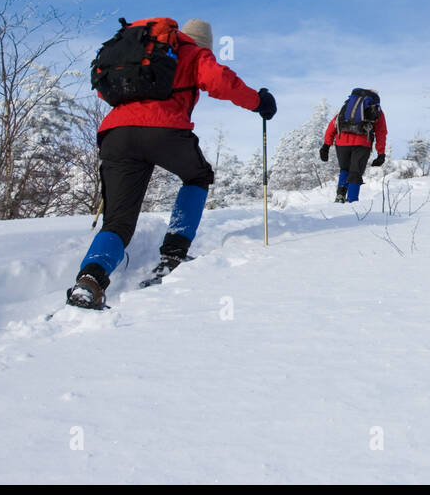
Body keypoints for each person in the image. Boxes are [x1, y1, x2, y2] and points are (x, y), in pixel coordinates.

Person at [66, 18, 276, 309]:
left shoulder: (146, 52)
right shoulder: (194, 52)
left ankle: (89, 281)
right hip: (164, 131)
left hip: (116, 134)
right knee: (197, 176)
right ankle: (173, 255)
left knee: (118, 222)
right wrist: (258, 102)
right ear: (205, 43)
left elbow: (104, 90)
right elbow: (220, 82)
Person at [318, 88, 386, 203]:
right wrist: (381, 154)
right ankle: (352, 201)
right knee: (355, 172)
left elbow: (333, 125)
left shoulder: (348, 106)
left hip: (342, 143)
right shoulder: (376, 109)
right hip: (362, 144)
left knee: (344, 169)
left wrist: (326, 145)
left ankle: (340, 195)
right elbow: (381, 132)